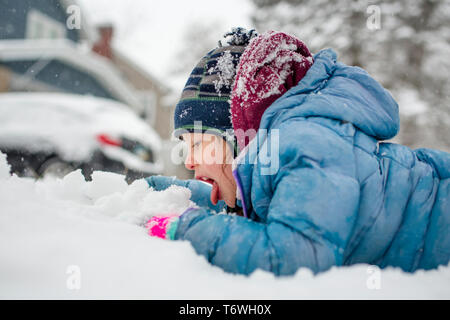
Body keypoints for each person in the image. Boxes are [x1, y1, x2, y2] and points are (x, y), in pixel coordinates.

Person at [145, 28, 450, 276]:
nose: (188, 160)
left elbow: (292, 256)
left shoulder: (306, 143)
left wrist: (186, 229)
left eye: (197, 144)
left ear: (238, 136)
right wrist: (166, 193)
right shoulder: (280, 155)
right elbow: (270, 215)